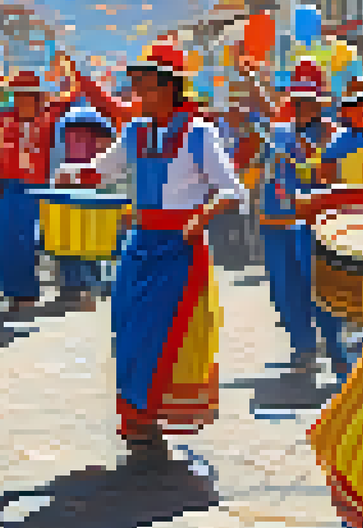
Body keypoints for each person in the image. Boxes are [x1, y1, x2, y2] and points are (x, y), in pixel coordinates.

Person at [58, 44, 247, 464]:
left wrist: (200, 219)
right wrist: (69, 174)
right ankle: (137, 414)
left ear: (168, 85)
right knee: (127, 327)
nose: (137, 87)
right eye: (137, 80)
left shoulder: (199, 133)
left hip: (179, 248)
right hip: (140, 243)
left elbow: (231, 190)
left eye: (145, 80)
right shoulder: (135, 132)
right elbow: (100, 171)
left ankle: (145, 417)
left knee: (162, 334)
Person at [237, 57, 347, 377]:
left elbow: (333, 175)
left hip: (313, 223)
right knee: (284, 288)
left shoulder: (332, 134)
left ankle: (335, 348)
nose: (302, 105)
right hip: (275, 221)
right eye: (297, 99)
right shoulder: (281, 131)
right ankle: (303, 348)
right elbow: (268, 110)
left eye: (308, 99)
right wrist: (251, 80)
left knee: (320, 287)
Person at [0, 70, 71, 310]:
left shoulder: (49, 117)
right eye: (17, 93)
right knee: (7, 239)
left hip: (38, 187)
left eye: (27, 94)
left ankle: (29, 292)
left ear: (37, 96)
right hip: (10, 186)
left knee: (27, 240)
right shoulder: (3, 119)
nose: (21, 98)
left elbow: (71, 95)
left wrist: (67, 66)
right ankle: (15, 292)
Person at [49, 101, 116, 311]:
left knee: (84, 244)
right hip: (78, 191)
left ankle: (86, 287)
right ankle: (83, 287)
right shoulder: (100, 134)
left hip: (85, 191)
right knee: (79, 243)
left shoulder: (102, 152)